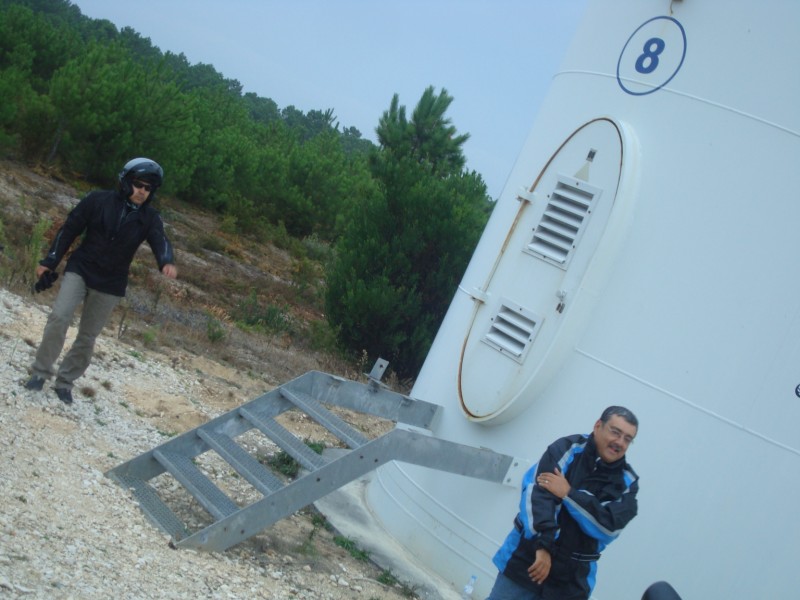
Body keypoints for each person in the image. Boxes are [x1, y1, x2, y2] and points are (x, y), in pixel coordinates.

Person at [24, 157, 177, 405]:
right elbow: (69, 228)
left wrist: (166, 260)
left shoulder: (150, 217)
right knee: (59, 317)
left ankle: (64, 382)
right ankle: (40, 372)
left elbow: (161, 240)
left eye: (149, 188)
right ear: (126, 182)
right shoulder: (97, 200)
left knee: (87, 337)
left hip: (111, 282)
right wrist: (50, 261)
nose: (142, 191)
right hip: (81, 269)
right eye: (139, 184)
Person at [486, 406, 640, 600]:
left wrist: (568, 493)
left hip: (571, 582)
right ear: (598, 426)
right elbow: (537, 494)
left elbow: (608, 527)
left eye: (627, 439)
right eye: (615, 432)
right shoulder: (567, 448)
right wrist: (544, 546)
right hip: (528, 559)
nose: (619, 442)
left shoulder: (628, 482)